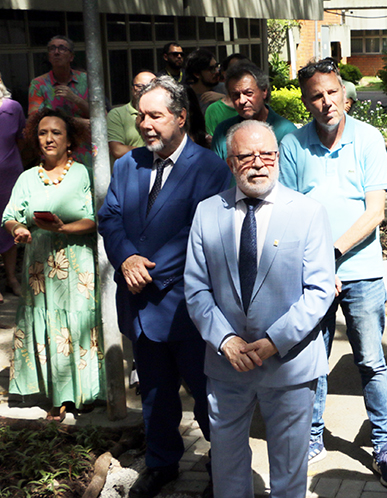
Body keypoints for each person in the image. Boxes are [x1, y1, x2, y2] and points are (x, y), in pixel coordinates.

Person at [185, 120, 335, 498]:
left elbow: (319, 290)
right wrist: (225, 340)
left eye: (267, 154)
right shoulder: (207, 213)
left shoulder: (308, 212)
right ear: (230, 162)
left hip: (289, 364)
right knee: (227, 462)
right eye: (246, 155)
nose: (258, 163)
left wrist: (273, 340)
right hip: (226, 364)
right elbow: (196, 289)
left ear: (278, 159)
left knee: (288, 469)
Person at [98, 76, 232, 498]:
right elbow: (110, 218)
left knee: (209, 395)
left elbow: (202, 232)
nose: (146, 124)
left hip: (187, 307)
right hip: (139, 305)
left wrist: (148, 269)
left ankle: (225, 468)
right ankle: (162, 463)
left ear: (180, 117)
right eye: (141, 116)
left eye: (155, 116)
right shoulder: (128, 164)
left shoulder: (210, 168)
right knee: (154, 394)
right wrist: (126, 260)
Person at [278, 57, 387, 488]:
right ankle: (311, 437)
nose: (326, 102)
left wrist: (330, 254)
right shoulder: (294, 145)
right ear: (305, 101)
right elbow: (290, 212)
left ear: (345, 95)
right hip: (312, 275)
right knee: (311, 359)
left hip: (361, 272)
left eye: (332, 92)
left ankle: (383, 446)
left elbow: (375, 213)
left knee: (371, 360)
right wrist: (315, 266)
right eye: (316, 95)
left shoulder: (368, 139)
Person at [2, 108, 104, 422]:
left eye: (56, 133)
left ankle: (85, 394)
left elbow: (94, 218)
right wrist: (18, 229)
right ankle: (57, 396)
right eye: (43, 133)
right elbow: (9, 216)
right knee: (48, 327)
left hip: (77, 265)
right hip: (39, 268)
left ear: (69, 140)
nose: (48, 138)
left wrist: (63, 229)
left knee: (78, 325)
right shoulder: (27, 177)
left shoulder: (83, 173)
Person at [0, 62, 25, 304]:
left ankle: (11, 278)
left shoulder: (14, 108)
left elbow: (22, 140)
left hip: (11, 176)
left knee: (10, 223)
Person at [28, 35, 91, 167]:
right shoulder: (38, 84)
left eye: (62, 48)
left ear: (71, 56)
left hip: (84, 149)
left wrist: (76, 99)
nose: (56, 52)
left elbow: (101, 116)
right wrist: (77, 122)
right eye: (52, 49)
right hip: (54, 150)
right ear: (49, 56)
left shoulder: (86, 80)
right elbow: (35, 120)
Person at [211, 63, 296, 160]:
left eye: (249, 93)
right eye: (235, 95)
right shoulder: (223, 131)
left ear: (264, 91)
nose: (242, 100)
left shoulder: (286, 132)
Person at [107, 70, 156, 161]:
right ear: (132, 88)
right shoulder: (117, 114)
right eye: (140, 86)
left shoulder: (165, 115)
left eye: (150, 87)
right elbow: (117, 151)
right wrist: (154, 151)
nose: (144, 90)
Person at [204, 54, 250, 136]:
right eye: (236, 69)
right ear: (224, 74)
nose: (242, 73)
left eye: (246, 69)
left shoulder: (258, 105)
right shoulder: (213, 110)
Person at [184, 49, 224, 115]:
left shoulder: (224, 89)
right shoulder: (186, 97)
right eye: (211, 69)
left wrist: (225, 99)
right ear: (197, 74)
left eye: (216, 67)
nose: (216, 72)